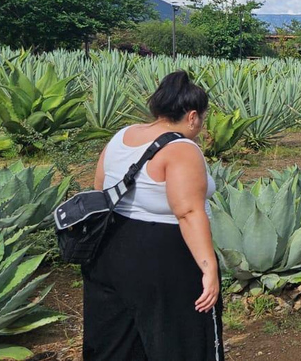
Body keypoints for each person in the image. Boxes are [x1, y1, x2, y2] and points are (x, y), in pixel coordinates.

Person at [82, 70, 224, 361]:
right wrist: (209, 268)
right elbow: (187, 212)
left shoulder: (122, 136)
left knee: (118, 341)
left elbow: (99, 188)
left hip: (108, 249)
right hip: (164, 256)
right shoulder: (181, 148)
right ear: (193, 116)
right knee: (181, 338)